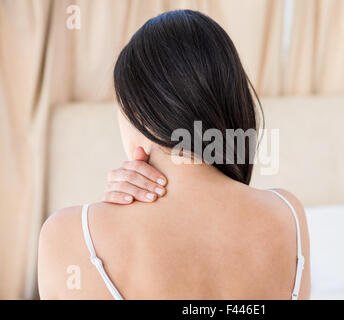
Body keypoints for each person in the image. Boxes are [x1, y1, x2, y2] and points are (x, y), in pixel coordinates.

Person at [38, 9, 310, 300]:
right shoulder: (288, 215)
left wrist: (97, 223)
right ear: (233, 101)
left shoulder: (69, 234)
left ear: (137, 112)